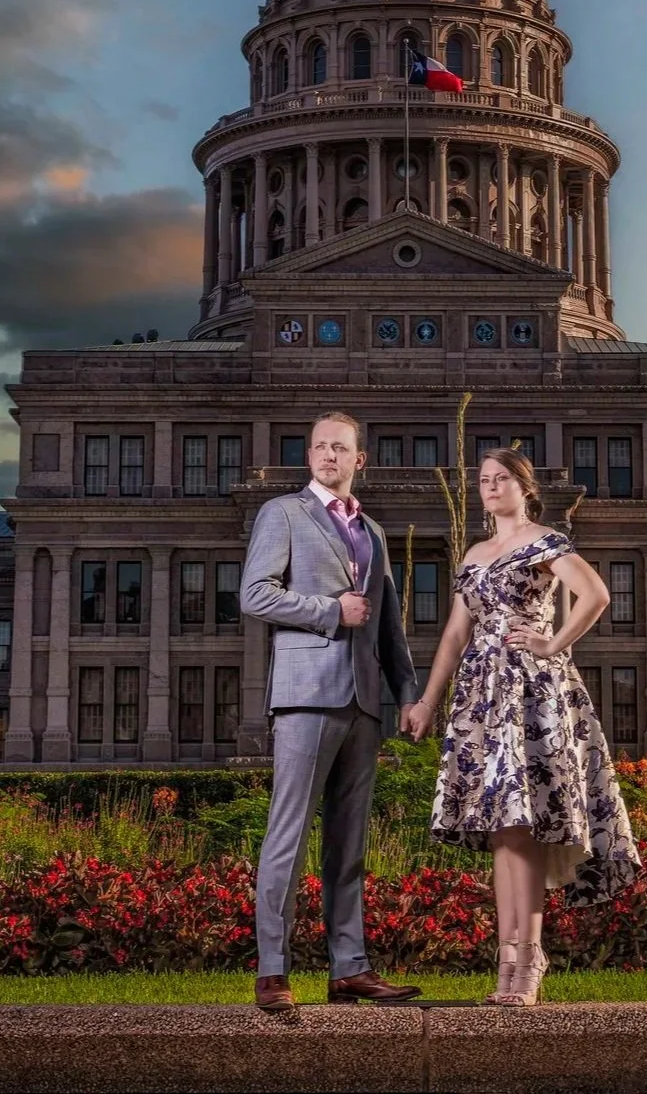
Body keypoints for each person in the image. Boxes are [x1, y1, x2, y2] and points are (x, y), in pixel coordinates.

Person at [407, 448, 642, 1005]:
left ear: (524, 487)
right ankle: (510, 960)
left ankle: (529, 959)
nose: (490, 486)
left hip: (531, 689)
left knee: (527, 822)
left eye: (502, 478)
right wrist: (426, 701)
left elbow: (596, 595)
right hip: (481, 695)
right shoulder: (475, 553)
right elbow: (453, 635)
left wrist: (553, 642)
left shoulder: (545, 541)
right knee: (502, 830)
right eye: (484, 479)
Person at [241, 411, 422, 1013]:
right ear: (309, 455)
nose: (327, 455)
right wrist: (327, 610)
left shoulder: (371, 530)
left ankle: (350, 969)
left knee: (349, 847)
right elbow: (255, 593)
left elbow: (390, 624)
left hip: (364, 702)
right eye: (318, 446)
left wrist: (409, 696)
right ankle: (272, 971)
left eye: (339, 448)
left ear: (357, 459)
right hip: (306, 695)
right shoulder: (283, 513)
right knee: (287, 837)